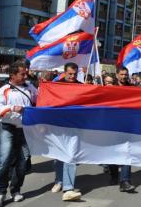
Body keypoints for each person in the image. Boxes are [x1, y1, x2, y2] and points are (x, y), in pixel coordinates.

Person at [0, 61, 37, 206]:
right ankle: (0, 194)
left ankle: (16, 190)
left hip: (26, 131)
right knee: (4, 162)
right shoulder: (3, 90)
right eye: (22, 74)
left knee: (23, 163)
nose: (25, 76)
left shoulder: (30, 87)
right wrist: (12, 108)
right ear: (12, 75)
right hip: (8, 130)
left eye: (25, 73)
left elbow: (39, 101)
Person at [52, 62, 83, 201]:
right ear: (64, 73)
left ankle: (68, 188)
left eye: (75, 74)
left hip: (74, 126)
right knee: (58, 156)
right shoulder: (56, 86)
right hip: (58, 126)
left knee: (70, 155)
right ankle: (59, 180)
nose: (72, 76)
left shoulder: (82, 87)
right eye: (70, 74)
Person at [105, 67, 136, 193]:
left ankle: (125, 181)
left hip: (126, 126)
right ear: (117, 75)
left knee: (126, 152)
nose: (124, 77)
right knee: (113, 152)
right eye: (121, 74)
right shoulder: (109, 88)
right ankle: (114, 175)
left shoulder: (132, 88)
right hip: (111, 125)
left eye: (125, 74)